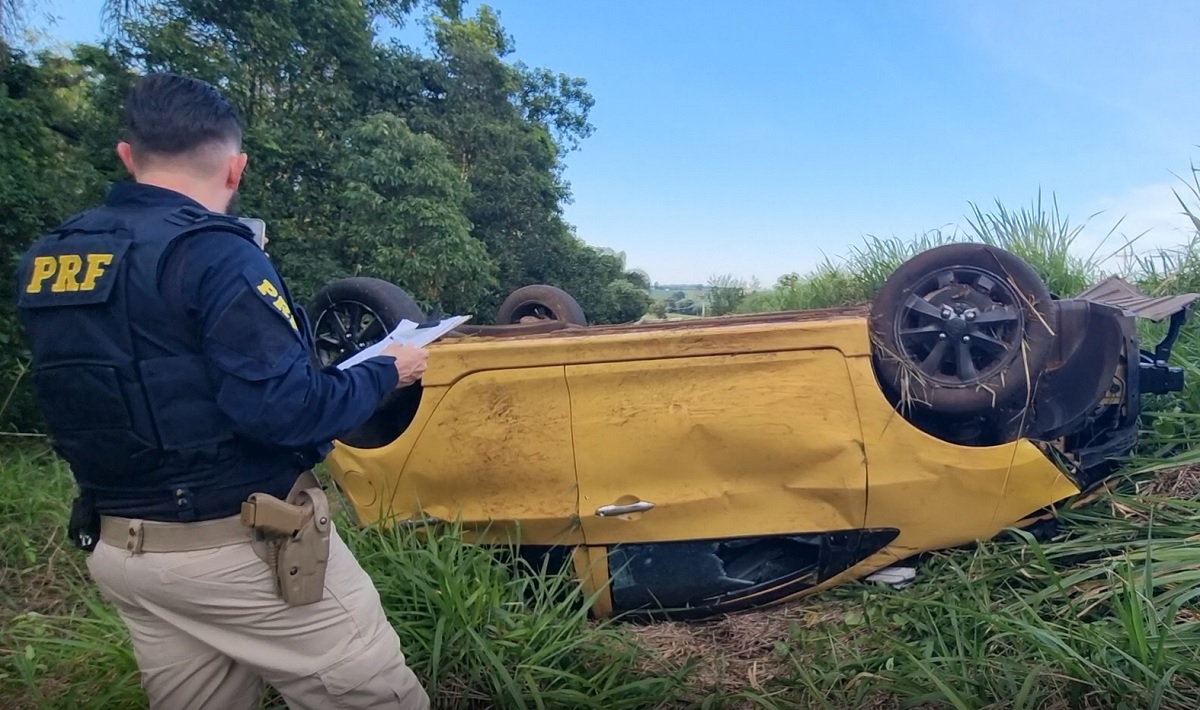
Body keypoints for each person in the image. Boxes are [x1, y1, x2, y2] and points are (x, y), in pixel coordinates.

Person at [14, 72, 431, 710]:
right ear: (236, 168)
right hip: (236, 550)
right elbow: (286, 411)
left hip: (124, 549)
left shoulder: (49, 259)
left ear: (127, 156)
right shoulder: (215, 253)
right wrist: (386, 372)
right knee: (376, 696)